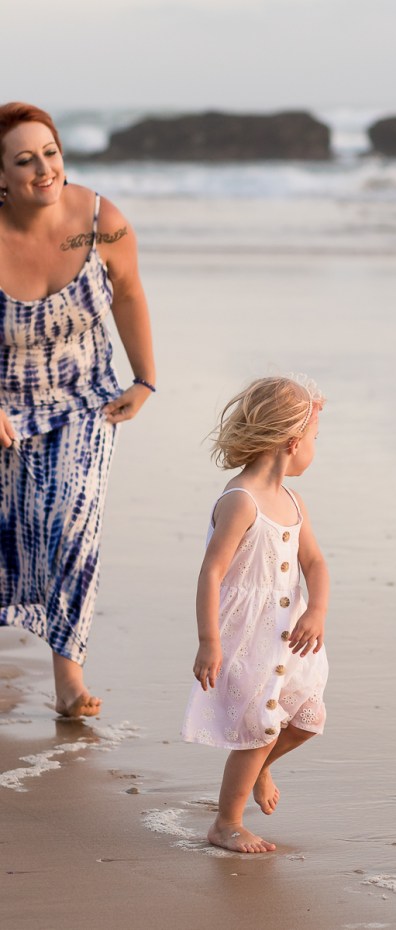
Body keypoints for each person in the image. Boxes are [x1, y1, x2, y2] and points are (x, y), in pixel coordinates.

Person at [0, 102, 156, 718]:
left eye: (51, 153)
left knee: (71, 523)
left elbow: (131, 292)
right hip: (6, 404)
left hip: (83, 399)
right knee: (9, 535)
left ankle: (68, 675)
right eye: (24, 160)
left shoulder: (100, 220)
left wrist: (145, 379)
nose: (44, 168)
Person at [182, 375, 329, 854]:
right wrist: (209, 640)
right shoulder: (241, 500)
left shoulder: (293, 501)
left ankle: (262, 766)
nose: (314, 449)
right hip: (246, 637)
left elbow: (315, 563)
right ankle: (226, 822)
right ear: (291, 443)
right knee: (260, 728)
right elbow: (211, 572)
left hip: (290, 636)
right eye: (313, 440)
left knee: (305, 719)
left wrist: (318, 610)